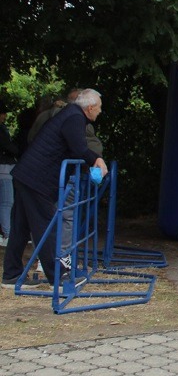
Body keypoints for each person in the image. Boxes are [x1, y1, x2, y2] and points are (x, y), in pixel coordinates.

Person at [2, 90, 110, 287]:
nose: (100, 111)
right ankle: (58, 277)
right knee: (46, 226)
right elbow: (78, 148)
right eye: (100, 107)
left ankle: (11, 274)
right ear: (90, 108)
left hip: (26, 175)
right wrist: (97, 159)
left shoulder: (70, 114)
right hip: (36, 179)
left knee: (20, 228)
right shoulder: (75, 117)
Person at [0, 106, 17, 246]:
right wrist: (18, 151)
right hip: (4, 169)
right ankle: (7, 234)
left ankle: (5, 233)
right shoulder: (1, 129)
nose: (5, 116)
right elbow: (8, 146)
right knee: (7, 202)